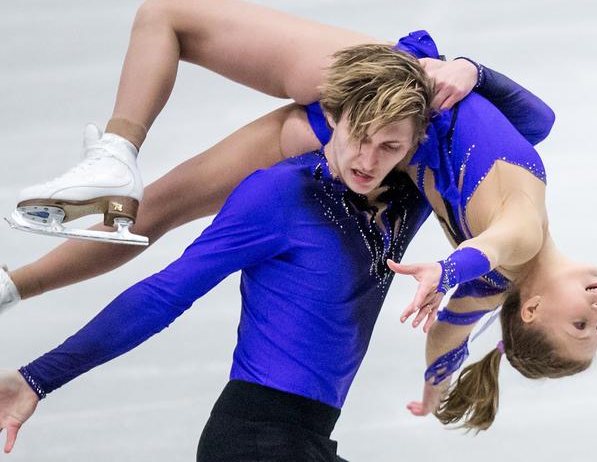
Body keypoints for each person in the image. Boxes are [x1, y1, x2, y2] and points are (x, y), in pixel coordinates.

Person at [1, 0, 597, 431]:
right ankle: (24, 271)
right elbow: (468, 296)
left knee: (166, 28)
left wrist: (440, 385)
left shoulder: (509, 255)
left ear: (529, 311)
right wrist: (470, 72)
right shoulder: (494, 274)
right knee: (152, 207)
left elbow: (469, 301)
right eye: (595, 327)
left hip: (377, 114)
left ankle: (107, 163)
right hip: (395, 105)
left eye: (581, 325)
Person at [0, 44, 434, 459]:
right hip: (254, 442)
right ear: (332, 116)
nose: (368, 160)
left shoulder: (407, 197)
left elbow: (500, 136)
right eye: (360, 136)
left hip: (307, 441)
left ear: (413, 145)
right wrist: (38, 377)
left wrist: (472, 71)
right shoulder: (279, 194)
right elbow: (163, 293)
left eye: (389, 147)